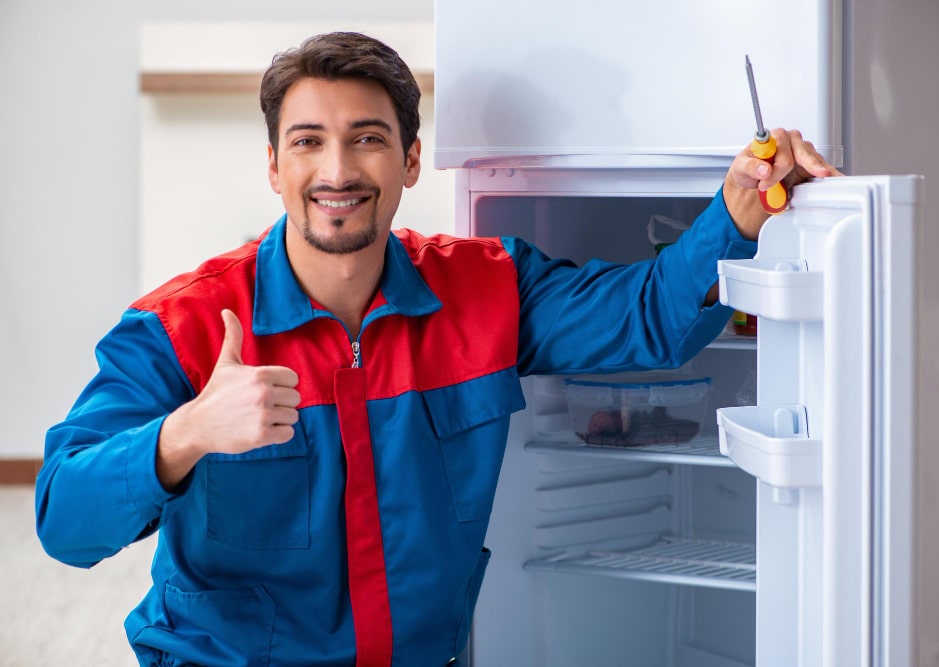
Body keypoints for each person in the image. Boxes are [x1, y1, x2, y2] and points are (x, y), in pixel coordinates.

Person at [35, 31, 839, 667]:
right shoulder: (185, 324)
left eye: (368, 139)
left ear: (411, 160)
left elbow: (646, 316)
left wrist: (735, 213)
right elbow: (63, 520)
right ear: (275, 165)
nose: (338, 169)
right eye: (308, 142)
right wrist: (188, 432)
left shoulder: (485, 290)